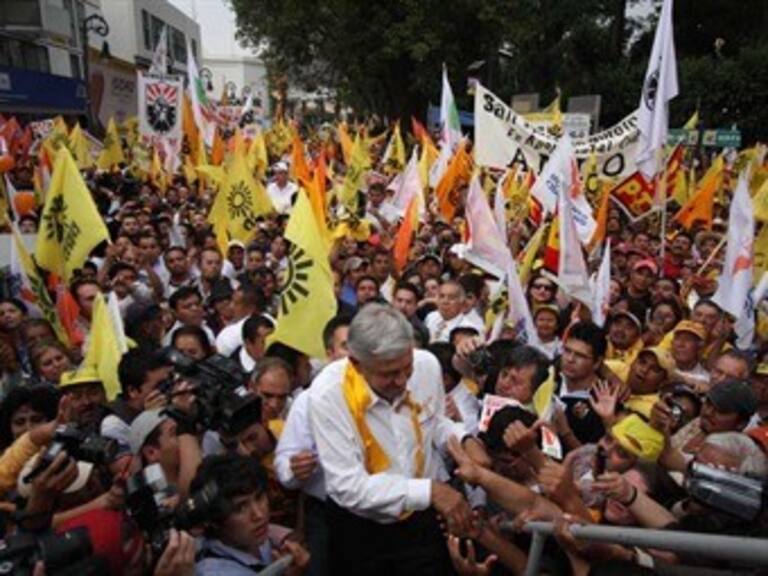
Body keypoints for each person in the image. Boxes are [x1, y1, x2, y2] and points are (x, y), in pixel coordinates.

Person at [309, 304, 485, 575]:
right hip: (360, 530)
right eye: (389, 373)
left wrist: (463, 440)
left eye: (407, 369)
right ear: (357, 363)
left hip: (422, 520)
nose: (402, 381)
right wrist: (430, 491)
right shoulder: (327, 395)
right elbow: (349, 487)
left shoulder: (426, 365)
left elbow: (434, 421)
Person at [194, 454, 309, 575]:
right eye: (240, 508)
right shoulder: (215, 572)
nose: (259, 515)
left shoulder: (255, 539)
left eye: (259, 497)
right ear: (215, 520)